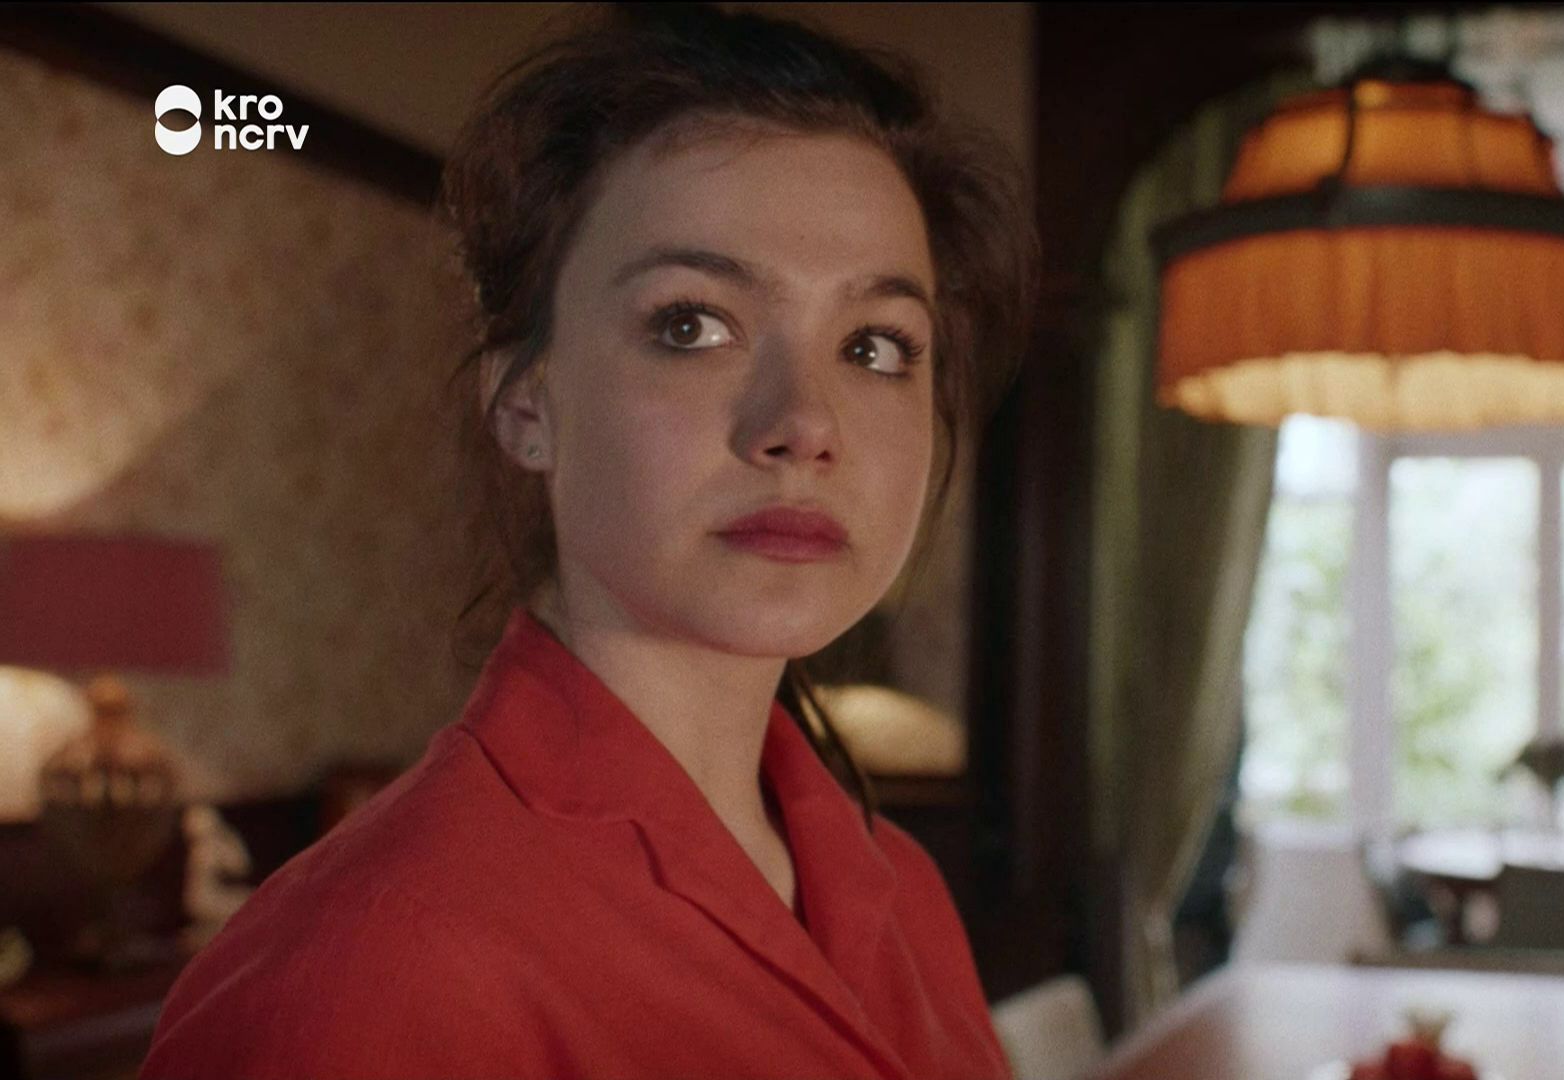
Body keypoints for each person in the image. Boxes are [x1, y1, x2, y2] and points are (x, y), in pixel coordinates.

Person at [138, 6, 1038, 1079]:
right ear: (527, 405)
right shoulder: (365, 978)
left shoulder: (903, 890)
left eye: (876, 345)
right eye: (691, 324)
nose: (805, 423)